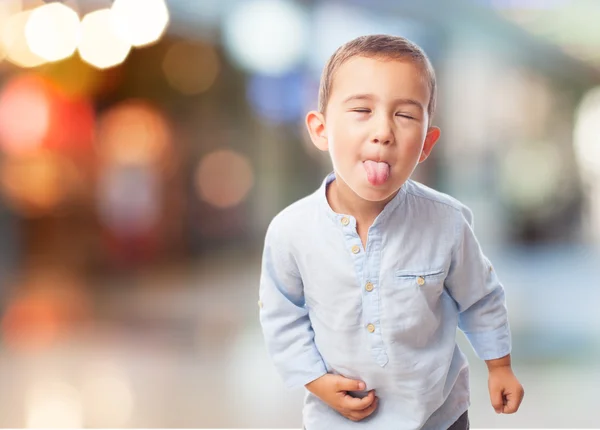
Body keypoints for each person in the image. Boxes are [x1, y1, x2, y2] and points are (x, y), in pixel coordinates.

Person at [258, 34, 524, 429]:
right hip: (337, 417)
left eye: (405, 115)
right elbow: (282, 316)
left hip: (438, 413)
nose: (384, 131)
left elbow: (480, 298)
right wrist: (315, 381)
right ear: (320, 129)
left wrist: (499, 365)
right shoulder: (291, 231)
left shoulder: (447, 222)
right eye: (362, 110)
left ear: (427, 143)